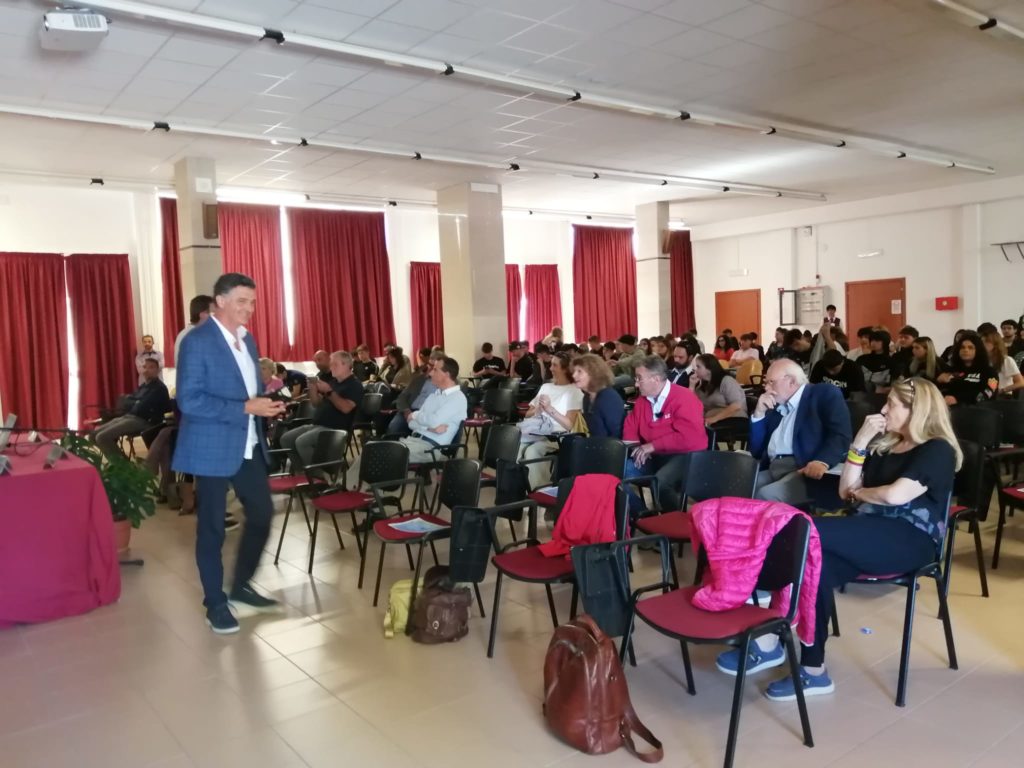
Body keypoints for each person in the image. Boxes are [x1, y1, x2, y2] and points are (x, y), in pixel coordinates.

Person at [718, 377, 960, 700]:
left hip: (911, 539)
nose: (883, 410)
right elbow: (846, 491)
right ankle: (813, 670)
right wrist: (860, 441)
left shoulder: (937, 449)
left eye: (891, 404)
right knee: (814, 566)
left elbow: (895, 495)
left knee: (799, 531)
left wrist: (863, 493)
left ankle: (766, 630)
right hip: (870, 530)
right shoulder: (887, 445)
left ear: (916, 410)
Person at [172, 272, 287, 634]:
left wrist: (265, 404)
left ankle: (241, 585)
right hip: (211, 446)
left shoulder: (248, 339)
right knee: (212, 528)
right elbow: (190, 400)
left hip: (247, 444)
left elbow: (246, 391)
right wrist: (246, 408)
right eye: (241, 301)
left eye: (252, 302)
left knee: (262, 514)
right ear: (220, 301)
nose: (249, 308)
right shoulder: (197, 342)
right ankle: (215, 604)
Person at [749, 359, 851, 505]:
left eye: (771, 382)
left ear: (791, 381)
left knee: (765, 495)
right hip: (774, 467)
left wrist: (822, 461)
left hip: (803, 469)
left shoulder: (822, 393)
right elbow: (757, 451)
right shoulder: (775, 407)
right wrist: (759, 413)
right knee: (740, 487)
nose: (766, 388)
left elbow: (840, 434)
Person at [622, 355, 706, 511]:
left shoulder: (684, 398)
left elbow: (689, 438)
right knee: (617, 472)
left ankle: (675, 522)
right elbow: (630, 427)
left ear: (655, 379)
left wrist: (651, 446)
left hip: (686, 456)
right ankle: (641, 513)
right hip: (655, 456)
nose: (636, 384)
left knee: (661, 482)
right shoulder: (642, 401)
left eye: (639, 379)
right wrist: (637, 448)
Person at [279, 350, 363, 471]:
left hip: (335, 427)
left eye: (334, 364)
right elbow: (316, 403)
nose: (331, 367)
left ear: (345, 365)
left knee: (302, 442)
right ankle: (302, 473)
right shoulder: (334, 382)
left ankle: (316, 476)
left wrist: (328, 391)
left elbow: (346, 408)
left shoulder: (354, 384)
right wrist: (313, 389)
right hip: (317, 424)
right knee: (286, 439)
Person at [518, 352, 584, 488]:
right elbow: (527, 415)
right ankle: (518, 489)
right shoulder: (546, 387)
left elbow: (568, 425)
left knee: (533, 451)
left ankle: (540, 490)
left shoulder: (574, 391)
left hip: (557, 435)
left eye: (555, 365)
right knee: (515, 448)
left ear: (565, 369)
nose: (550, 368)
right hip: (536, 430)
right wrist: (537, 410)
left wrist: (549, 409)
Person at [396, 356, 468, 464]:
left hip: (431, 449)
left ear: (446, 374)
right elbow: (411, 424)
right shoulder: (433, 396)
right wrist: (429, 428)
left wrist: (415, 414)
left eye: (435, 370)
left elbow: (433, 421)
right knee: (375, 450)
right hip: (413, 441)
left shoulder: (457, 398)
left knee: (388, 455)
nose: (430, 373)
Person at [94, 357, 171, 456]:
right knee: (93, 435)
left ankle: (122, 464)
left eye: (151, 367)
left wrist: (134, 401)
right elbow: (128, 402)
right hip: (129, 416)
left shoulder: (160, 388)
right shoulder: (143, 386)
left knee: (101, 437)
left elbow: (142, 406)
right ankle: (115, 460)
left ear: (157, 370)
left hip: (144, 421)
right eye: (145, 367)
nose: (147, 370)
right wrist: (135, 401)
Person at [570, 353, 624, 438]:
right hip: (597, 443)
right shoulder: (587, 397)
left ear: (593, 374)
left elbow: (617, 434)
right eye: (574, 371)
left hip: (612, 445)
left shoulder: (608, 398)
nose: (574, 375)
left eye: (579, 371)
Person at [937, 331, 998, 406]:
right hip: (950, 408)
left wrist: (958, 399)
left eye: (970, 347)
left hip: (979, 410)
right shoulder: (951, 370)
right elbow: (939, 392)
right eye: (962, 347)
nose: (965, 350)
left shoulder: (989, 371)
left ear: (978, 350)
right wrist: (938, 381)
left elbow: (988, 393)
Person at [691, 353, 748, 429]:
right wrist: (691, 385)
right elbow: (693, 406)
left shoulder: (727, 381)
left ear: (709, 369)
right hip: (712, 419)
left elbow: (736, 406)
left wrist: (714, 419)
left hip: (734, 418)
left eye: (698, 367)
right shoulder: (702, 386)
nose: (695, 370)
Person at [981, 329, 1024, 396]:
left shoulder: (1007, 360)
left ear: (995, 344)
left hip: (1003, 396)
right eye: (981, 342)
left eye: (986, 342)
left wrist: (1003, 390)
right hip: (986, 395)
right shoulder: (982, 360)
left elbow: (1021, 382)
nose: (982, 345)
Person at [174, 295, 215, 364]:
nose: (216, 317)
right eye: (213, 313)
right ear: (203, 315)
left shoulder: (188, 333)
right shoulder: (191, 336)